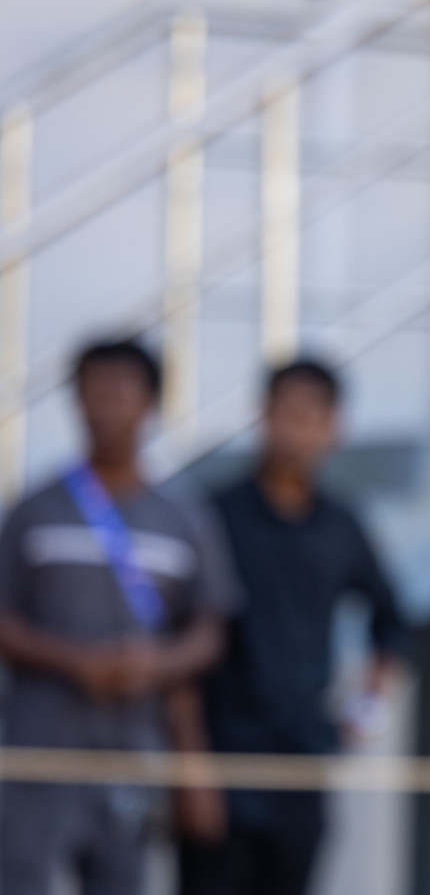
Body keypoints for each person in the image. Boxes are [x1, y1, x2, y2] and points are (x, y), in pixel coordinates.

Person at [0, 339, 240, 895]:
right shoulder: (35, 509)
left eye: (120, 392)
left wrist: (156, 664)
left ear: (151, 402)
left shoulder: (184, 515)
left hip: (134, 748)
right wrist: (75, 661)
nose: (105, 406)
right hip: (42, 749)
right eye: (93, 391)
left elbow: (209, 627)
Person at [177, 359, 409, 895]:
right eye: (284, 414)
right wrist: (191, 768)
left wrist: (366, 705)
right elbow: (179, 639)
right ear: (262, 416)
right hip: (221, 754)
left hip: (303, 757)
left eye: (310, 417)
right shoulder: (215, 514)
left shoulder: (340, 523)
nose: (295, 431)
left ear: (333, 427)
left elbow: (393, 619)